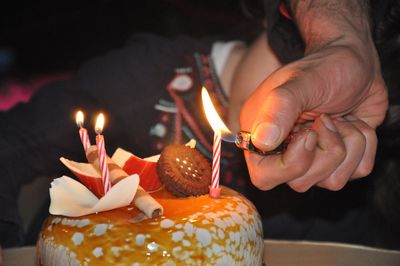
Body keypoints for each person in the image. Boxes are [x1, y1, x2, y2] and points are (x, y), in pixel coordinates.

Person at [0, 0, 399, 257]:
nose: (290, 115)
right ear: (283, 15)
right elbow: (11, 143)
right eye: (301, 74)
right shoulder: (145, 76)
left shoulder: (342, 191)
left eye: (325, 114)